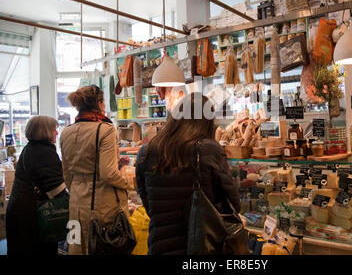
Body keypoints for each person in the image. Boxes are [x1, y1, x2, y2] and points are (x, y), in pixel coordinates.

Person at [135, 93, 241, 255]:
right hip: (202, 245)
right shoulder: (209, 149)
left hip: (159, 246)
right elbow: (234, 205)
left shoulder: (145, 151)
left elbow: (149, 205)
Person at [60, 85, 133, 255]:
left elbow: (67, 174)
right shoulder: (105, 130)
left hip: (76, 204)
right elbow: (108, 174)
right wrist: (130, 183)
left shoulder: (66, 132)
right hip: (103, 205)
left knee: (77, 247)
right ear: (100, 103)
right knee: (104, 247)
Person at [6, 115, 67, 255]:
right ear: (45, 131)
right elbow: (56, 191)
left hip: (19, 211)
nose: (57, 133)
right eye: (54, 129)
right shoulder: (45, 152)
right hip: (33, 216)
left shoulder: (29, 148)